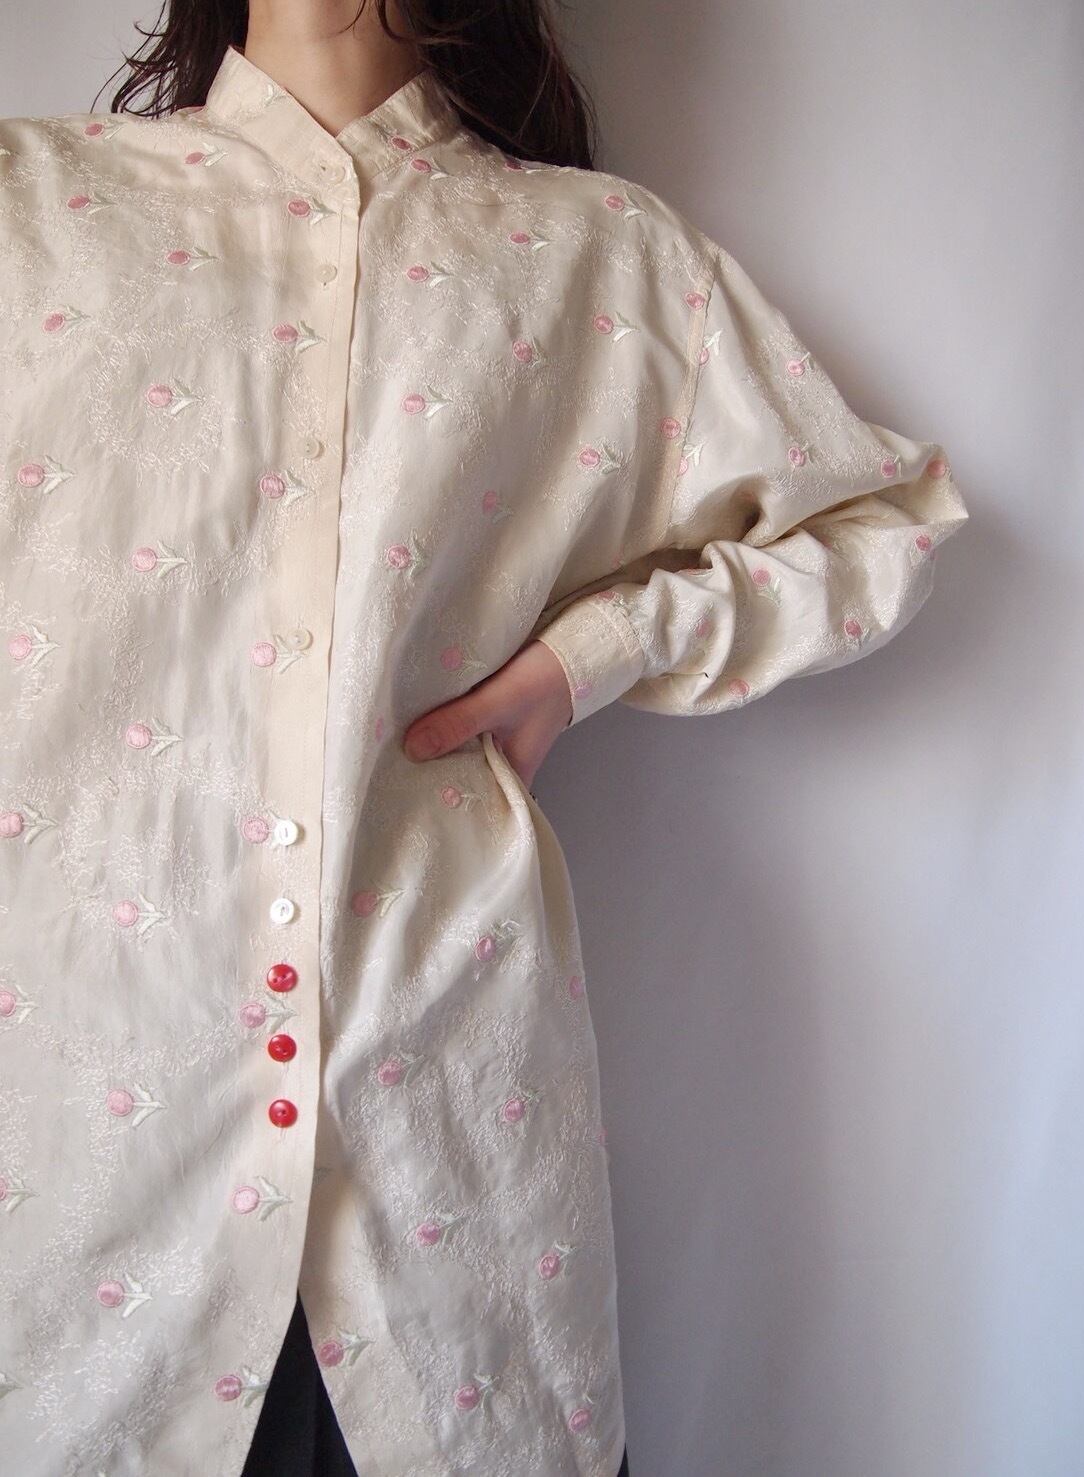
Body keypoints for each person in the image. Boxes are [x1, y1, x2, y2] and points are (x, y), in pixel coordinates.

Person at [0, 0, 969, 1472]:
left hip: (445, 1171)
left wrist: (584, 661)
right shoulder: (35, 211)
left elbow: (878, 523)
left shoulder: (595, 254)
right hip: (86, 1197)